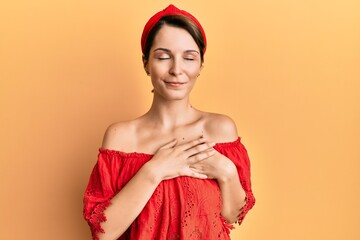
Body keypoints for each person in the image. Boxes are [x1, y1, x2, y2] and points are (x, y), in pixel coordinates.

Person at [83, 4, 255, 240]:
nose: (176, 69)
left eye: (189, 57)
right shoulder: (121, 136)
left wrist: (226, 171)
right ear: (146, 63)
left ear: (200, 66)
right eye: (163, 57)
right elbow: (104, 233)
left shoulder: (219, 129)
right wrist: (155, 170)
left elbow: (231, 215)